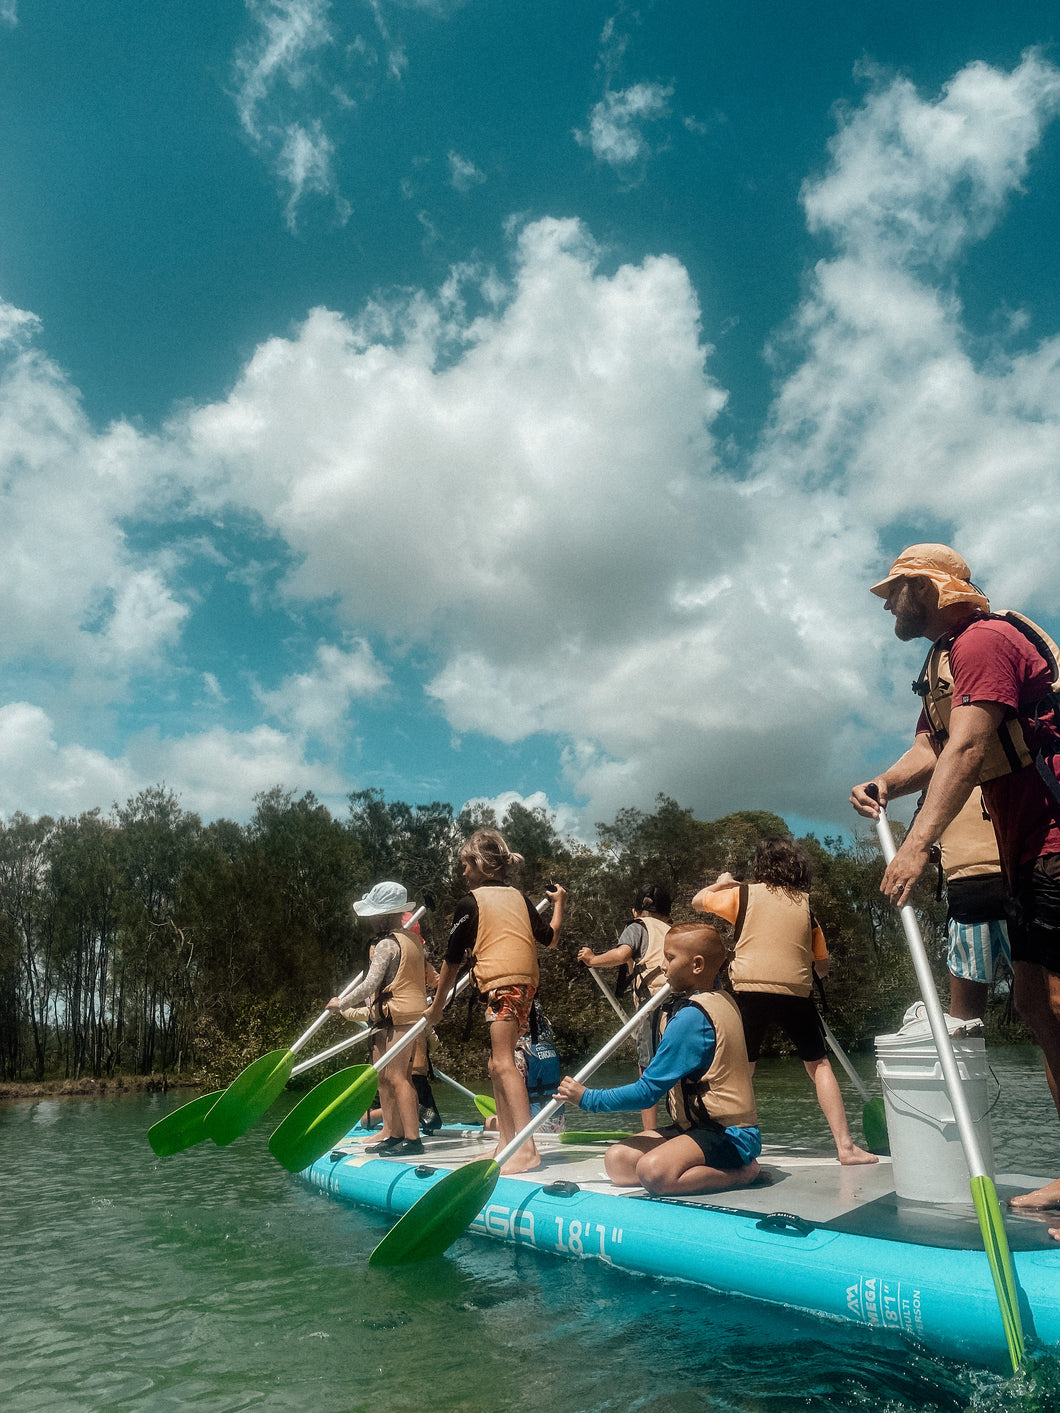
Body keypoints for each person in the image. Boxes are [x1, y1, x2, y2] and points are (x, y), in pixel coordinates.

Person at [850, 542, 1060, 1221]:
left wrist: (915, 846)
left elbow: (970, 747)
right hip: (1027, 850)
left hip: (1057, 839)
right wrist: (885, 781)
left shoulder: (983, 639)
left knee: (1054, 1001)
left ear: (931, 588)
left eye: (896, 589)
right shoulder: (943, 661)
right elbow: (934, 745)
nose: (887, 601)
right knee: (1035, 1002)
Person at [693, 838, 878, 1165]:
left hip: (750, 993)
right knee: (819, 1065)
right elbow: (822, 963)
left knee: (743, 1070)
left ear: (759, 866)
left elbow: (697, 902)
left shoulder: (742, 895)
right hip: (796, 994)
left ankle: (733, 1147)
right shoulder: (807, 908)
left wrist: (722, 883)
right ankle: (846, 1147)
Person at [555, 923, 763, 1195]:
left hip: (730, 1136)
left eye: (670, 958)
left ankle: (743, 1173)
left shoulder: (693, 1018)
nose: (663, 966)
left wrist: (586, 1098)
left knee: (653, 1173)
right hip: (695, 1128)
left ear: (697, 965)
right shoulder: (717, 998)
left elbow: (646, 1093)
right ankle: (705, 1167)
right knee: (618, 1162)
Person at [422, 829, 566, 1174]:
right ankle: (506, 1143)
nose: (463, 872)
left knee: (504, 1063)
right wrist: (559, 903)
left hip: (505, 986)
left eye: (465, 865)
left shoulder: (470, 903)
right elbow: (551, 939)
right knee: (494, 1064)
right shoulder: (519, 897)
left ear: (480, 864)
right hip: (522, 985)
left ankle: (526, 1149)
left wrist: (438, 1006)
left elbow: (451, 960)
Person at [326, 881, 427, 1158]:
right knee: (384, 1076)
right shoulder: (412, 940)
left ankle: (412, 1139)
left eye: (373, 915)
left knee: (397, 1077)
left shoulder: (386, 944)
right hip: (393, 1016)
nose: (369, 921)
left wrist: (341, 1003)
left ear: (384, 915)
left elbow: (371, 984)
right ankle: (394, 1134)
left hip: (400, 1016)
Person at [577, 884, 672, 1130]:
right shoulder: (675, 931)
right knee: (677, 1068)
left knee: (647, 1071)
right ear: (668, 914)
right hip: (681, 1006)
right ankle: (683, 1124)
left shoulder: (636, 927)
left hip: (652, 1008)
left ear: (635, 912)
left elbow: (622, 954)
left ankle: (650, 1132)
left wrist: (592, 959)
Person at [931, 787, 1012, 1021]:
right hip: (966, 895)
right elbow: (925, 811)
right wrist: (915, 848)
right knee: (964, 1018)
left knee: (1046, 1004)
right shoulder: (939, 773)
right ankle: (962, 1054)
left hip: (1021, 883)